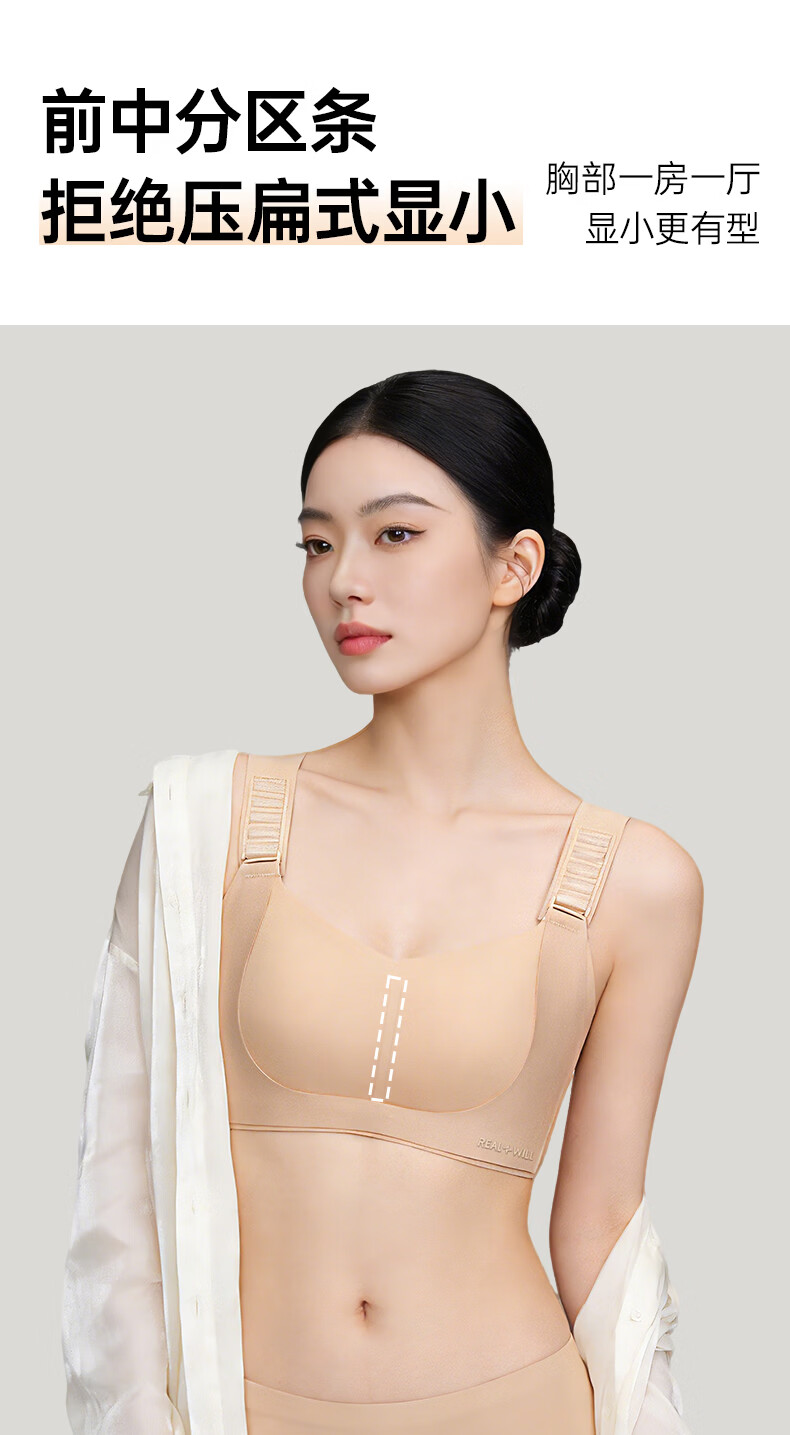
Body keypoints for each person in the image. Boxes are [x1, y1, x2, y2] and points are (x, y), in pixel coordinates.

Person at [62, 369, 703, 1435]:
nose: (344, 581)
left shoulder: (638, 879)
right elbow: (114, 1197)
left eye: (394, 534)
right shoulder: (202, 823)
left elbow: (600, 1228)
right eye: (317, 544)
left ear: (514, 565)